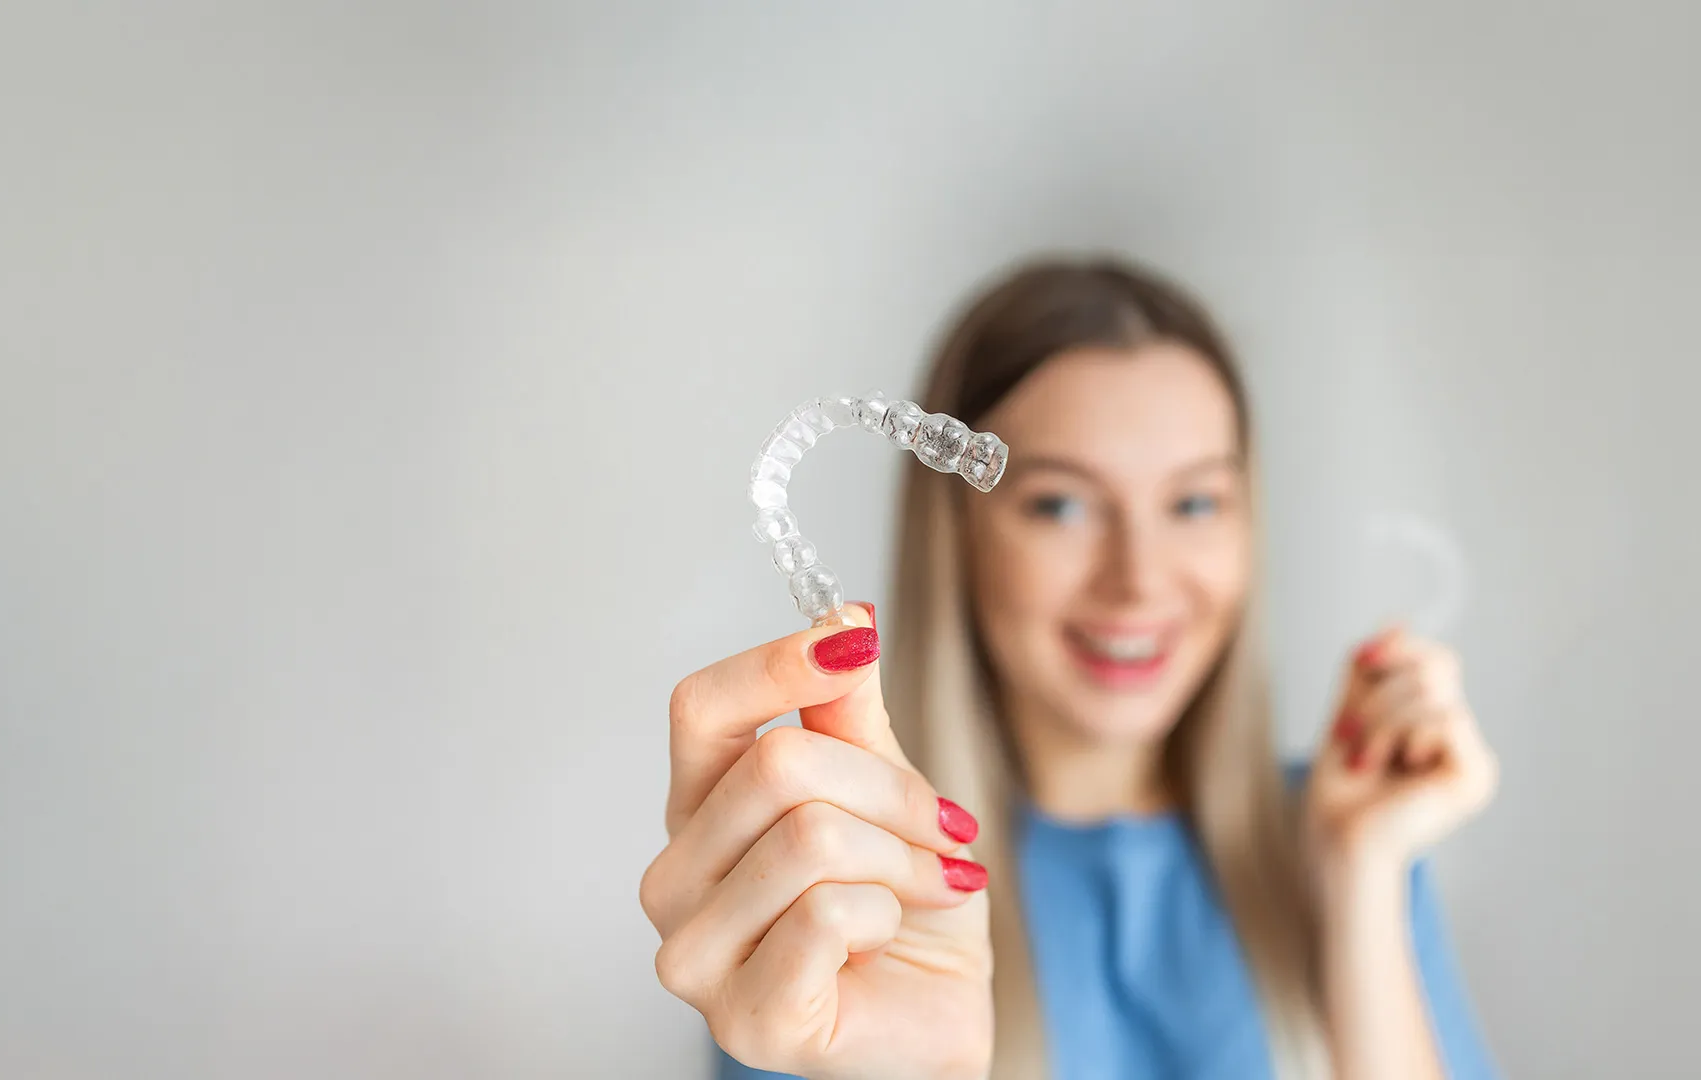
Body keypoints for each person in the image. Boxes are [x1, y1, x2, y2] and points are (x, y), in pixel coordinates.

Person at [639, 257, 1501, 1079]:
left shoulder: (1347, 843)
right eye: (1062, 505)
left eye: (1194, 502)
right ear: (957, 533)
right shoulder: (841, 895)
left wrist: (1356, 877)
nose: (1138, 580)